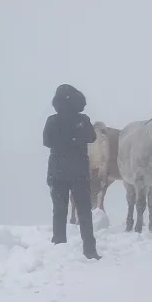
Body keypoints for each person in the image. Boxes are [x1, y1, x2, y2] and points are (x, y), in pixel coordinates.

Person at [45, 84, 101, 259]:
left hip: (57, 171)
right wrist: (76, 138)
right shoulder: (82, 119)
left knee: (59, 211)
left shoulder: (52, 120)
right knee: (84, 211)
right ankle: (90, 250)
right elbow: (92, 137)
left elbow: (46, 142)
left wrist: (62, 141)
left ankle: (59, 246)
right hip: (79, 172)